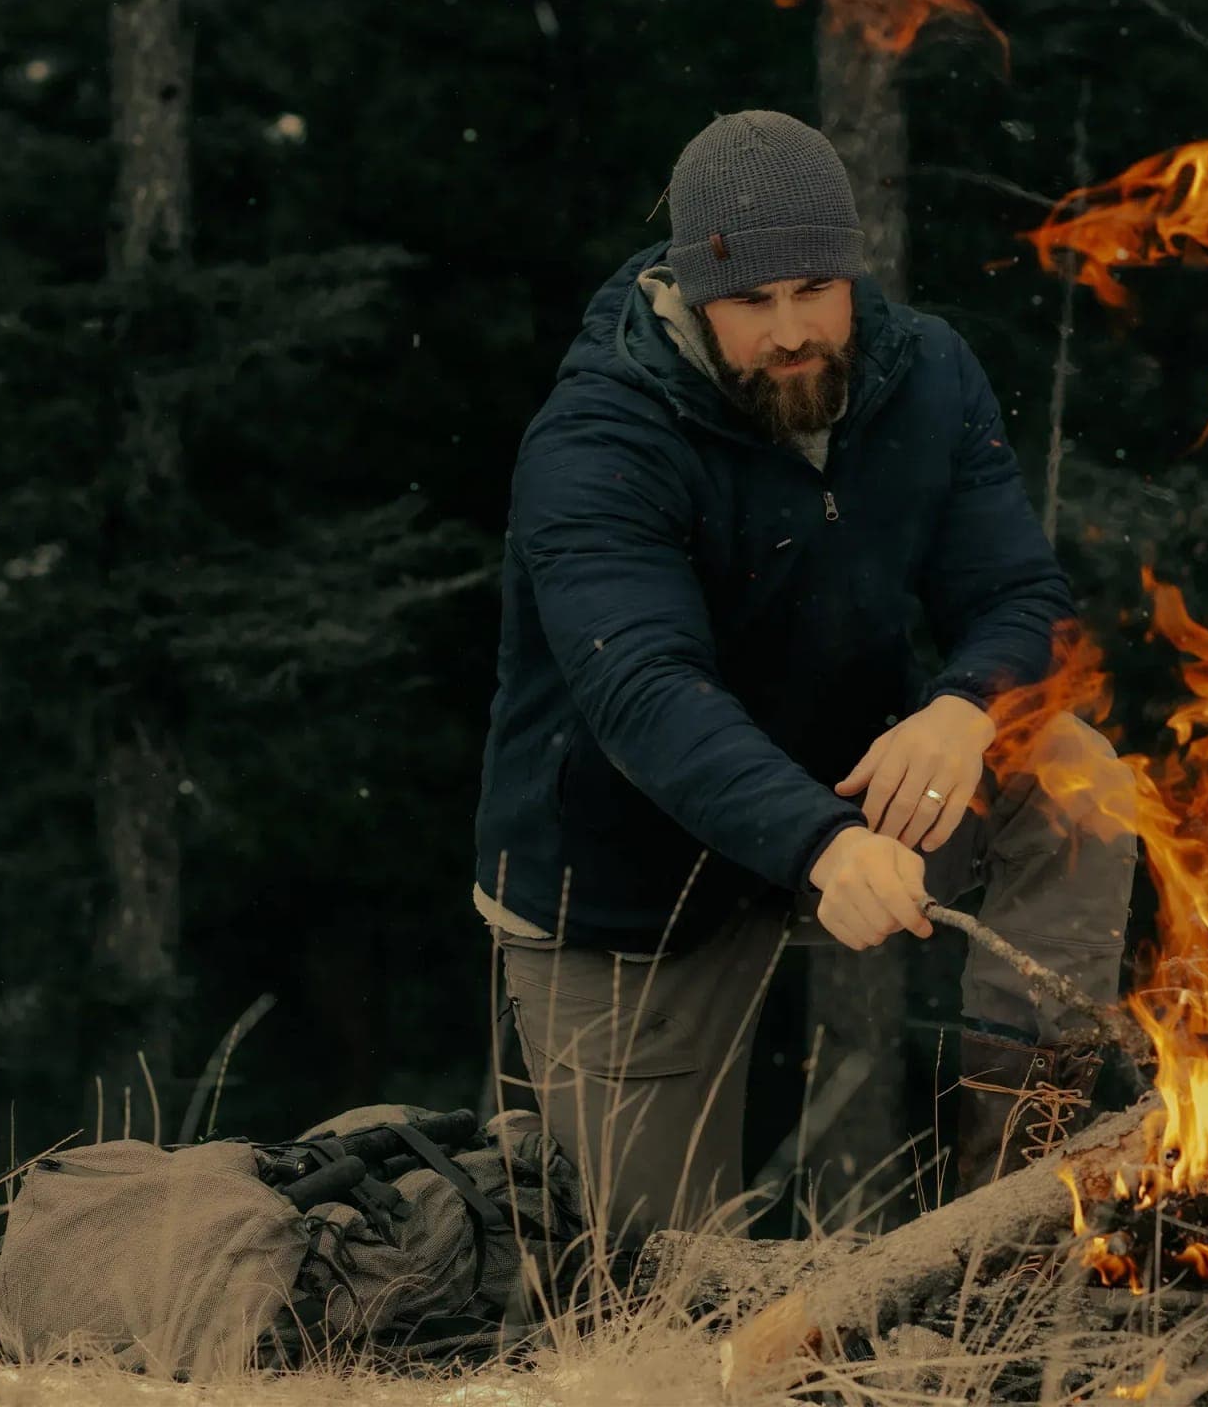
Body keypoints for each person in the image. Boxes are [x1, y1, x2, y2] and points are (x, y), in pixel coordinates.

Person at [470, 109, 1137, 1244]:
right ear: (690, 291)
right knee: (641, 1288)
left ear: (851, 268)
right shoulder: (596, 438)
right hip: (628, 872)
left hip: (849, 782)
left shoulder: (924, 374)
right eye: (750, 302)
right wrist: (819, 846)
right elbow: (641, 690)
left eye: (812, 290)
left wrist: (963, 707)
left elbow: (1022, 596)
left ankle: (1017, 1220)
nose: (790, 333)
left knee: (1074, 774)